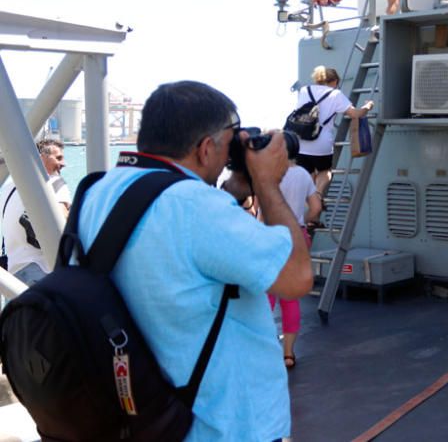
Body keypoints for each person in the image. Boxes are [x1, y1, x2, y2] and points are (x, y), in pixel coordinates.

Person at [75, 80, 313, 441]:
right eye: (229, 142)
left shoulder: (96, 190)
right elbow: (296, 278)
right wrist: (266, 182)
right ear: (205, 148)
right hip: (219, 425)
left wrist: (233, 191)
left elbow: (179, 251)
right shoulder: (196, 207)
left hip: (143, 413)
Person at [265, 161, 322, 369]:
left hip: (272, 232)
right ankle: (288, 354)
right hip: (297, 234)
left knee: (267, 295)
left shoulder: (268, 171)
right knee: (290, 297)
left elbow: (262, 210)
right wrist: (303, 220)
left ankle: (264, 348)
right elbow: (316, 208)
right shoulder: (303, 175)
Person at [295, 65, 374, 200]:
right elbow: (356, 114)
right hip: (321, 144)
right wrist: (368, 106)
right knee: (325, 171)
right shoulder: (335, 94)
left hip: (301, 142)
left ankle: (310, 198)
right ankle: (318, 194)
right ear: (334, 81)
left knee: (308, 172)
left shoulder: (304, 90)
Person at [0, 138, 71, 285]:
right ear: (40, 158)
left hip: (13, 273)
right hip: (42, 269)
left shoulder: (8, 188)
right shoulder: (54, 183)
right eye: (58, 158)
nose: (63, 163)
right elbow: (62, 220)